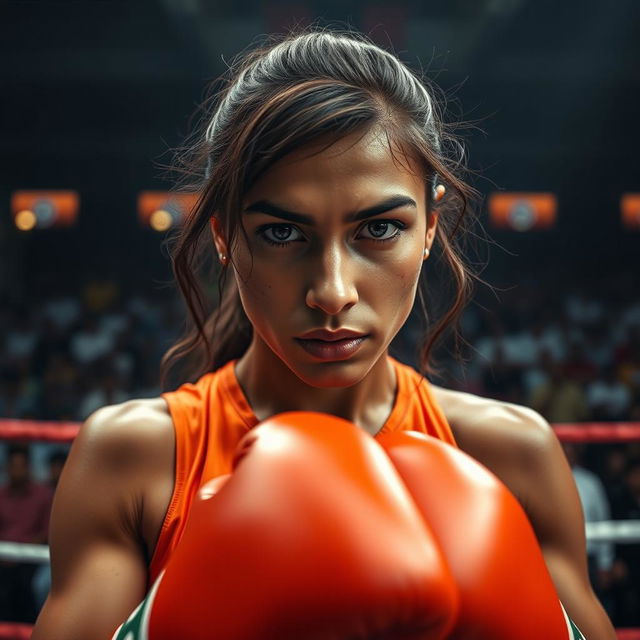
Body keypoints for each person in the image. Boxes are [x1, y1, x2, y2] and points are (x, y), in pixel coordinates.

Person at [31, 28, 617, 639]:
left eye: (380, 228)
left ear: (429, 230)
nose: (333, 291)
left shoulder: (510, 456)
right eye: (283, 233)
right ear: (226, 236)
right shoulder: (136, 460)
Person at [0, 444, 53, 623]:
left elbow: (47, 532)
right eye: (13, 466)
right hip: (3, 559)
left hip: (32, 561)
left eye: (21, 466)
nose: (17, 471)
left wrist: (22, 552)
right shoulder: (0, 495)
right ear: (6, 468)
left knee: (36, 586)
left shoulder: (43, 495)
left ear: (28, 467)